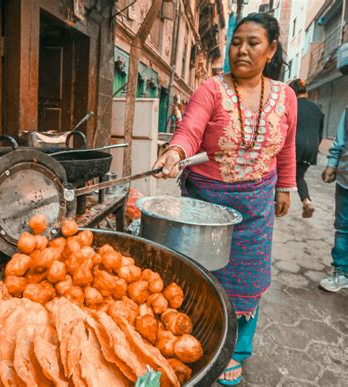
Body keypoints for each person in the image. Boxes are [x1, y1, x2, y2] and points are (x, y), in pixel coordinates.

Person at [153, 13, 297, 385]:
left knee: (248, 280)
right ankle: (192, 335)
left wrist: (286, 187)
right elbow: (190, 130)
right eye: (237, 42)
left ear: (272, 50)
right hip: (205, 204)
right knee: (198, 272)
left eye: (253, 43)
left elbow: (287, 147)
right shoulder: (211, 89)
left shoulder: (286, 97)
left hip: (256, 207)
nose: (242, 50)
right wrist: (174, 154)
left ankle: (236, 349)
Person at [319, 107, 348, 292]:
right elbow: (341, 139)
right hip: (346, 178)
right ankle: (342, 273)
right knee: (343, 227)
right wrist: (332, 164)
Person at [288, 78, 324, 218]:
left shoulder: (292, 105)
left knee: (281, 174)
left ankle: (275, 203)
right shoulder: (317, 109)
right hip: (311, 149)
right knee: (299, 177)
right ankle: (307, 202)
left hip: (294, 146)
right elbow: (319, 133)